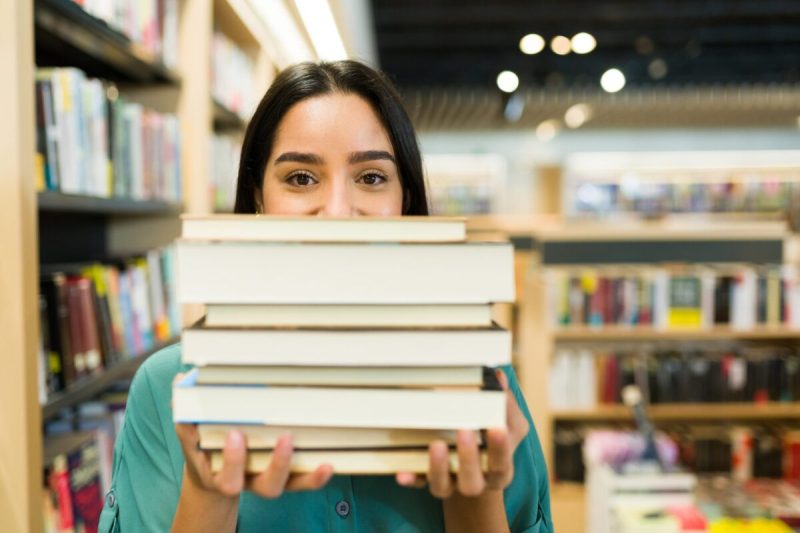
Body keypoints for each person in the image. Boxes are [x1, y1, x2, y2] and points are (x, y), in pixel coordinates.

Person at [98, 60, 553, 532]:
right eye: (300, 178)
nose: (337, 212)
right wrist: (208, 494)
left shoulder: (481, 385)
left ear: (405, 203)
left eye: (372, 177)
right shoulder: (167, 388)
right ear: (258, 200)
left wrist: (475, 498)